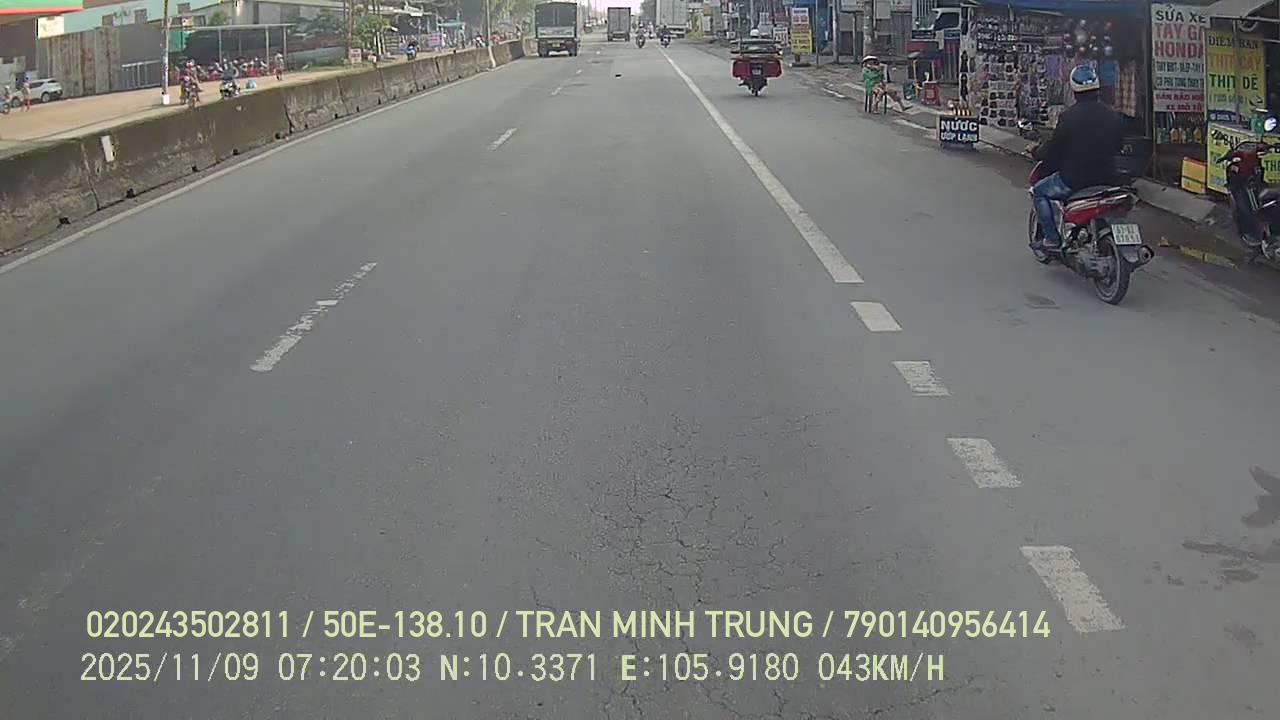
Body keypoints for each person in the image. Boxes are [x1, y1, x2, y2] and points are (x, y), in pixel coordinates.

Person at [1029, 64, 1124, 250]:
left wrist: (1037, 152)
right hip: (1108, 178)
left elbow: (1054, 149)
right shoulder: (1112, 114)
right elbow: (1118, 145)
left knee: (1039, 192)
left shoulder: (1069, 117)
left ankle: (1052, 239)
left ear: (1074, 91)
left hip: (1075, 179)